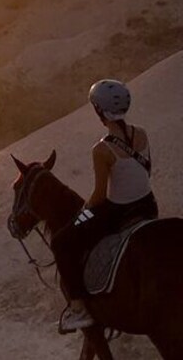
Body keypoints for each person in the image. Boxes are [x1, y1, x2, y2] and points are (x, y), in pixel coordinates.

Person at [51, 79, 158, 332]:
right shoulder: (141, 133)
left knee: (61, 242)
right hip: (148, 205)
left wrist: (82, 214)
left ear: (100, 111)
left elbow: (99, 196)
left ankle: (79, 310)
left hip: (118, 211)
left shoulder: (102, 149)